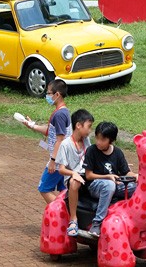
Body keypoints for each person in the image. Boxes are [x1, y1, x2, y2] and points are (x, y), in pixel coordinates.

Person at [83, 121, 137, 237]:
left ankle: (132, 219)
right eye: (97, 138)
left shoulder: (117, 152)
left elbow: (125, 171)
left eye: (102, 140)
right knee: (109, 185)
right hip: (96, 186)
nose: (98, 142)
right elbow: (88, 175)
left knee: (135, 187)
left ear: (110, 140)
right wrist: (108, 177)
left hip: (115, 185)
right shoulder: (91, 151)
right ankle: (97, 223)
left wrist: (136, 176)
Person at [24, 79, 71, 204]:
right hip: (63, 158)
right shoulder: (62, 112)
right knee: (63, 190)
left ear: (57, 95)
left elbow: (60, 139)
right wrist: (32, 125)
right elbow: (50, 131)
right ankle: (69, 216)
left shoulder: (60, 115)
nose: (47, 96)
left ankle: (62, 213)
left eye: (49, 93)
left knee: (44, 188)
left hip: (58, 159)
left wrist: (53, 161)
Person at [55, 108, 94, 237]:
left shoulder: (86, 141)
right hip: (74, 177)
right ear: (78, 125)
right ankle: (73, 219)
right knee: (74, 182)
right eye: (88, 127)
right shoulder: (66, 144)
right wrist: (73, 173)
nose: (90, 130)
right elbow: (61, 169)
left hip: (86, 174)